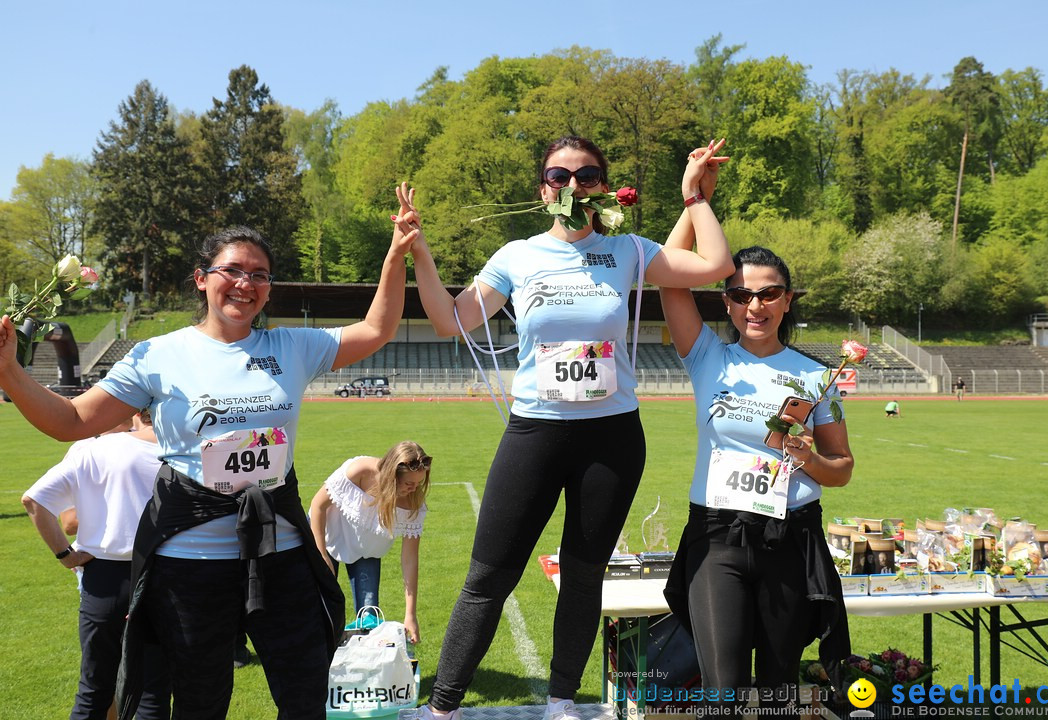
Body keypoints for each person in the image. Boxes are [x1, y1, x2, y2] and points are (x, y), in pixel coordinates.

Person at [0, 222, 416, 719]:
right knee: (200, 701)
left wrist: (395, 255)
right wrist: (9, 369)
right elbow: (71, 420)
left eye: (259, 274)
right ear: (202, 278)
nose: (246, 283)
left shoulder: (292, 347)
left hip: (278, 551)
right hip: (190, 562)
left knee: (307, 691)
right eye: (232, 270)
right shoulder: (158, 354)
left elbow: (376, 329)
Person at [397, 135, 735, 720]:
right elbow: (451, 321)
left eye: (587, 176)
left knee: (583, 577)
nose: (573, 185)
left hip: (612, 439)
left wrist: (694, 198)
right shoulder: (516, 256)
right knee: (488, 576)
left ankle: (561, 701)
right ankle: (443, 707)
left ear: (603, 187)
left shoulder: (628, 249)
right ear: (543, 190)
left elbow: (714, 266)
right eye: (560, 176)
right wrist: (418, 251)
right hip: (536, 434)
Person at [659, 244, 854, 713]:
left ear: (788, 300)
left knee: (776, 691)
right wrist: (694, 199)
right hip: (717, 538)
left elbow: (842, 467)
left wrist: (804, 456)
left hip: (789, 540)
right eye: (742, 294)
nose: (756, 305)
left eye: (769, 294)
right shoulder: (707, 356)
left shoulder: (817, 376)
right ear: (726, 301)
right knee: (721, 692)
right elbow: (667, 276)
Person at [22, 409, 171, 720]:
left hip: (103, 578)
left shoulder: (90, 448)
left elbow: (34, 501)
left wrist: (67, 556)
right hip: (162, 574)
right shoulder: (181, 449)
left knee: (93, 687)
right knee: (153, 692)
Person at [309, 441, 431, 643]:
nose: (414, 488)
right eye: (409, 483)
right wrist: (321, 556)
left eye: (418, 483)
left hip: (366, 552)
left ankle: (362, 670)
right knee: (319, 611)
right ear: (392, 474)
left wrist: (411, 614)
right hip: (327, 537)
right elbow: (317, 506)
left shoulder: (413, 503)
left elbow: (410, 559)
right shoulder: (360, 470)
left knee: (369, 620)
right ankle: (321, 668)